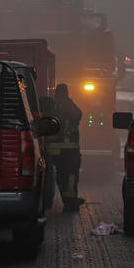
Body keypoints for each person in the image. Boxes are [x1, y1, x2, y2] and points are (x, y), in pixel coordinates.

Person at [45, 83, 85, 212]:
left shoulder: (51, 106)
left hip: (53, 149)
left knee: (61, 175)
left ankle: (66, 199)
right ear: (66, 92)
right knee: (71, 175)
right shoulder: (68, 104)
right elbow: (78, 114)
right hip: (68, 150)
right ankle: (70, 202)